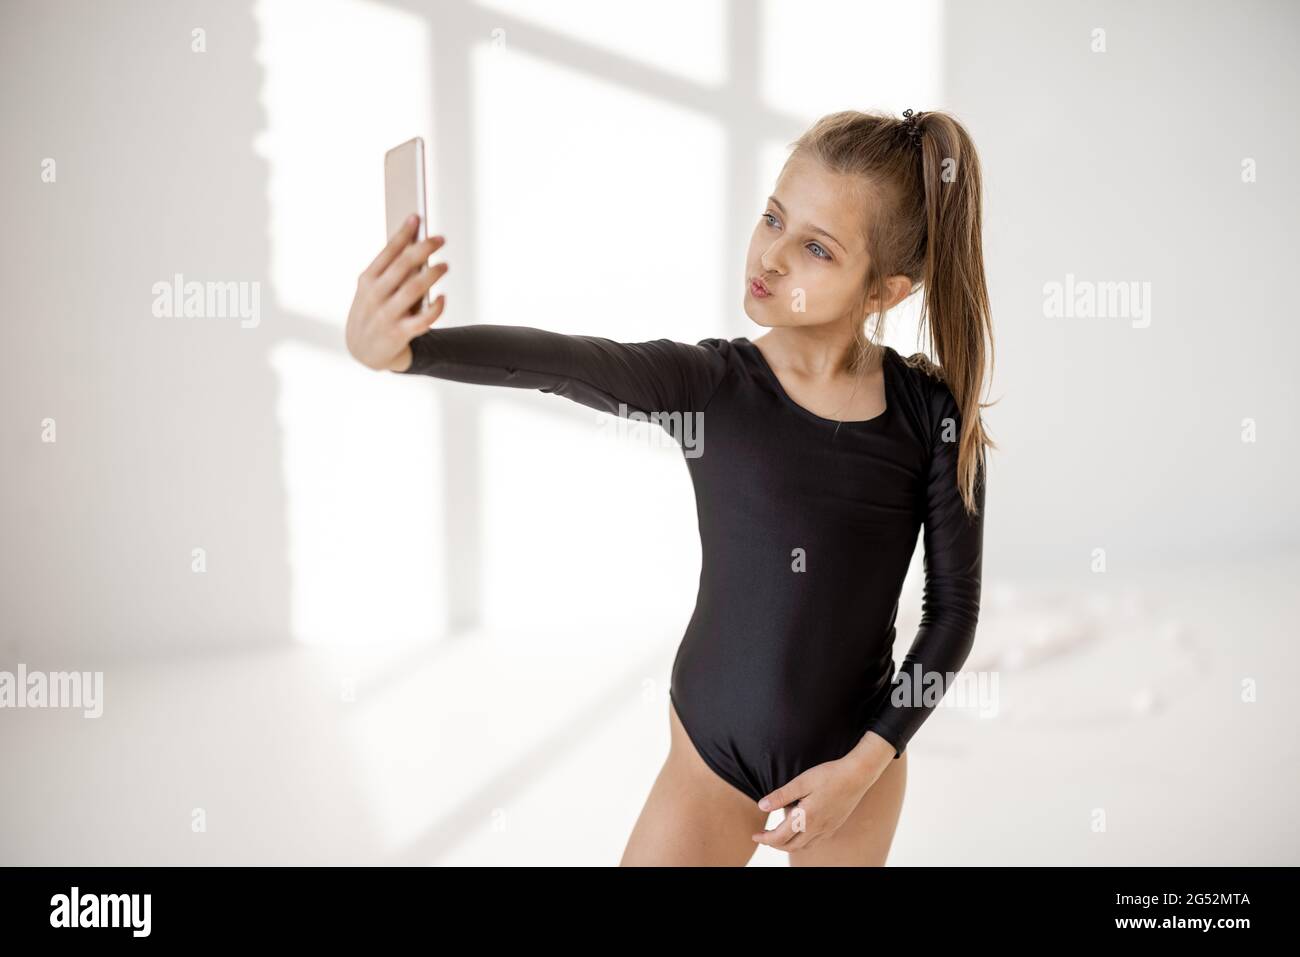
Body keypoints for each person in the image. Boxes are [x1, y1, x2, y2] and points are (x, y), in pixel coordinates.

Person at [345, 109, 995, 866]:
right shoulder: (713, 387)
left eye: (816, 247)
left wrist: (863, 767)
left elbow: (953, 614)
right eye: (773, 218)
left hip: (855, 769)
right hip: (709, 763)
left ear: (883, 289)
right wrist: (407, 353)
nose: (773, 256)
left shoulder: (931, 416)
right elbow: (566, 362)